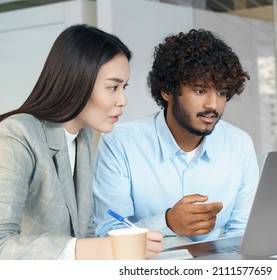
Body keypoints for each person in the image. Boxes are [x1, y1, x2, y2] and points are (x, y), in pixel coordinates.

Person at [0, 24, 163, 259]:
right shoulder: (16, 133)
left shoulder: (83, 136)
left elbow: (83, 231)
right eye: (113, 87)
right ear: (78, 80)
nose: (123, 100)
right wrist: (99, 249)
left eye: (124, 87)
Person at [93, 29, 260, 244]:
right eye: (200, 91)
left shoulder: (239, 144)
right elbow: (108, 233)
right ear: (167, 91)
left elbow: (242, 230)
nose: (213, 105)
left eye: (221, 93)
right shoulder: (120, 143)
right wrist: (167, 222)